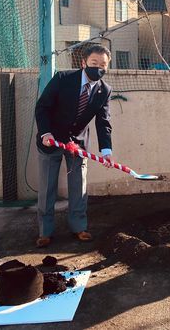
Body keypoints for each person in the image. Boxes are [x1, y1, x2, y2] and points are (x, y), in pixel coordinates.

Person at [34, 45, 113, 248]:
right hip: (51, 139)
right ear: (84, 63)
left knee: (79, 186)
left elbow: (103, 122)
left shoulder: (104, 90)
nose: (99, 68)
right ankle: (45, 231)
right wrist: (45, 132)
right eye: (94, 63)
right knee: (47, 187)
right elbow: (43, 107)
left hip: (78, 143)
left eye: (103, 65)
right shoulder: (63, 78)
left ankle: (79, 227)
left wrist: (106, 151)